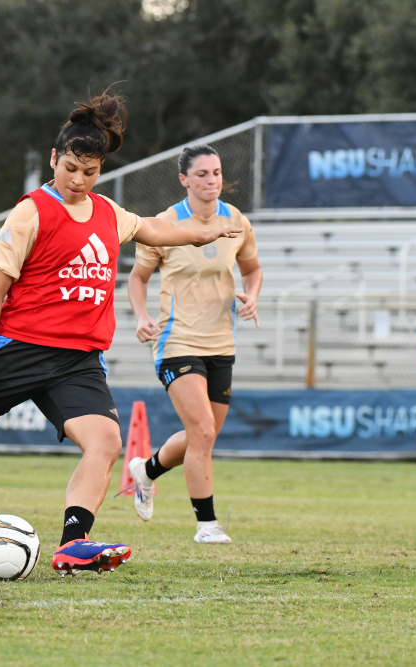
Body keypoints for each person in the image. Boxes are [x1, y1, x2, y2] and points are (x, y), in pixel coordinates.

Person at [0, 92, 242, 575]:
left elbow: (154, 229)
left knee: (106, 441)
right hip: (20, 350)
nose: (78, 180)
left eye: (89, 172)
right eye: (70, 167)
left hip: (77, 360)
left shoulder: (108, 213)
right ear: (55, 158)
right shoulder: (30, 212)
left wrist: (201, 233)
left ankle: (74, 543)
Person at [125, 143, 262, 544]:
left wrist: (252, 296)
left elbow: (252, 269)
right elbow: (137, 278)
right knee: (201, 430)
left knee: (202, 435)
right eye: (202, 174)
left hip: (221, 342)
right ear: (184, 179)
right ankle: (207, 525)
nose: (211, 181)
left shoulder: (237, 220)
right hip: (177, 341)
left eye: (216, 173)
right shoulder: (164, 224)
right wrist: (142, 316)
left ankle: (146, 472)